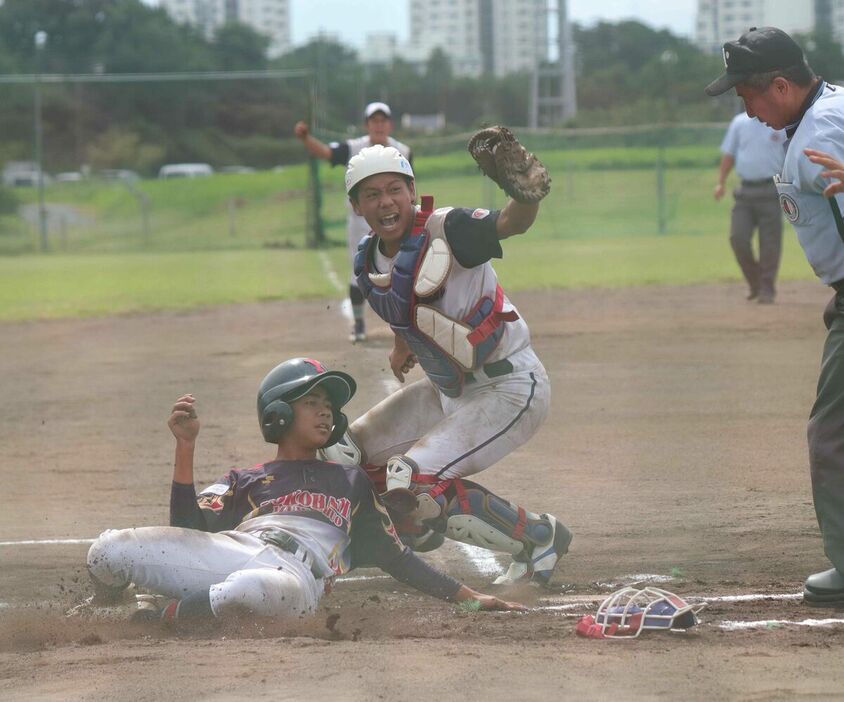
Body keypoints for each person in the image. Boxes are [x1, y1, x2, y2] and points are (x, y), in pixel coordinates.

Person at [85, 358, 523, 625]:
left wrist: (471, 601)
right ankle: (104, 605)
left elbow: (398, 559)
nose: (325, 411)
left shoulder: (350, 483)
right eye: (312, 402)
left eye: (329, 405)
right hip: (233, 550)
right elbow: (187, 531)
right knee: (106, 550)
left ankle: (159, 620)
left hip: (295, 579)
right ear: (277, 414)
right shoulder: (246, 477)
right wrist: (186, 448)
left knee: (252, 590)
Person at [319, 140, 572, 589]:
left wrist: (526, 195)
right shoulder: (367, 259)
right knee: (343, 454)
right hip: (447, 389)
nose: (385, 202)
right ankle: (396, 532)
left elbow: (511, 223)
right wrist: (402, 345)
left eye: (394, 189)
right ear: (356, 205)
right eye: (371, 194)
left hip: (509, 386)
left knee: (411, 481)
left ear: (411, 190)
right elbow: (403, 298)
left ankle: (539, 537)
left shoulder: (449, 230)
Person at [706, 26, 844, 605]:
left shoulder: (822, 133)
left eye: (747, 96)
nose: (747, 109)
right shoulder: (822, 113)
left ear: (781, 86)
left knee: (832, 435)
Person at [294, 102, 412, 343]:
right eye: (374, 121)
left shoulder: (404, 151)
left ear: (390, 124)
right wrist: (306, 139)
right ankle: (359, 324)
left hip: (396, 220)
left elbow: (411, 187)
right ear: (367, 125)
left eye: (383, 121)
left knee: (405, 268)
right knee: (360, 272)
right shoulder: (354, 148)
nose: (379, 125)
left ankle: (407, 325)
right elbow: (327, 153)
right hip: (362, 223)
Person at [714, 111, 786, 304]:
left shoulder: (778, 121)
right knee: (738, 238)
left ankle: (767, 288)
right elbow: (729, 154)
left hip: (772, 189)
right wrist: (720, 182)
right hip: (745, 191)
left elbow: (791, 153)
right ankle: (756, 283)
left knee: (770, 243)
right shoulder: (739, 122)